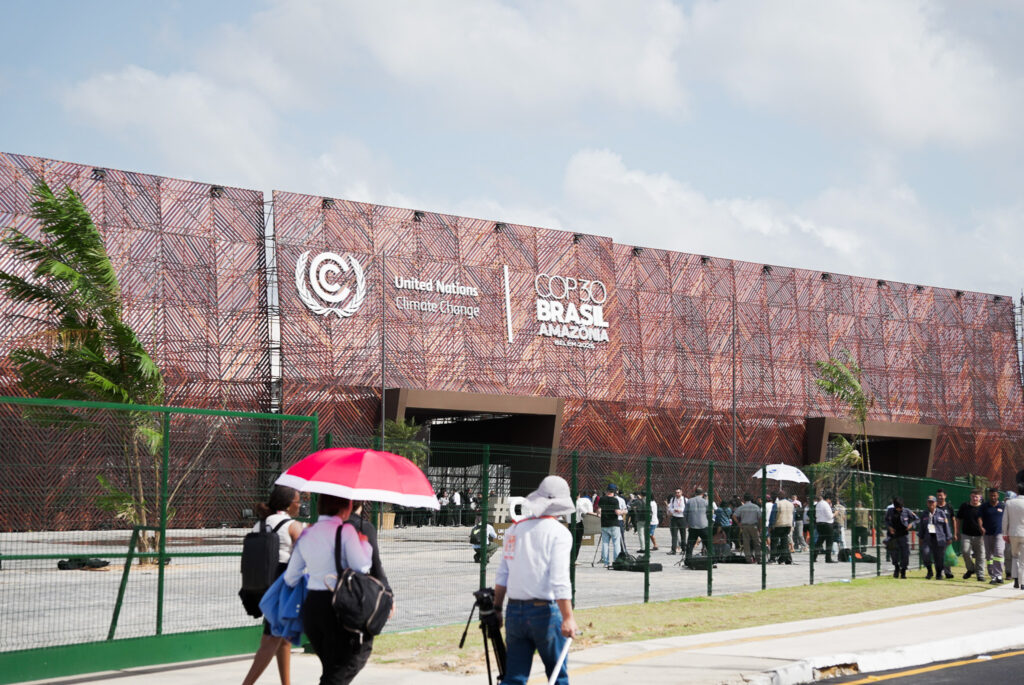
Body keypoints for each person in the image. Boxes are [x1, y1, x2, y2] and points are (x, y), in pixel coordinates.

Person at [494, 475, 578, 685]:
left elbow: (503, 573)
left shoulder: (514, 530)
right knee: (557, 676)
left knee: (513, 677)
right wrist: (568, 616)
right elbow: (559, 579)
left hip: (514, 611)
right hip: (545, 612)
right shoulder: (559, 533)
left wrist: (496, 608)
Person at [283, 494, 374, 685]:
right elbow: (362, 566)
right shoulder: (346, 531)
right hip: (337, 606)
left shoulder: (307, 533)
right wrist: (365, 545)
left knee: (331, 668)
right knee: (350, 660)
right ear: (347, 507)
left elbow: (291, 578)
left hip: (312, 607)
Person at [242, 485, 303, 685]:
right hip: (281, 586)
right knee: (271, 639)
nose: (299, 505)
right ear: (288, 504)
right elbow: (305, 554)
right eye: (297, 501)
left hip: (260, 585)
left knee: (283, 637)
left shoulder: (261, 523)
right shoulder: (292, 525)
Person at [919, 495, 952, 580]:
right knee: (925, 554)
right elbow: (921, 527)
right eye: (929, 502)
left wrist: (949, 537)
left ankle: (938, 574)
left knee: (939, 558)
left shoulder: (941, 513)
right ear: (927, 503)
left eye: (932, 502)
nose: (931, 504)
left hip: (939, 538)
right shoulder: (924, 514)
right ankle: (929, 571)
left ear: (936, 503)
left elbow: (946, 526)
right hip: (927, 538)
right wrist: (920, 538)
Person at [884, 496, 918, 579]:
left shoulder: (907, 511)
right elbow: (886, 520)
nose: (899, 509)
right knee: (893, 553)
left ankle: (903, 571)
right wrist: (889, 527)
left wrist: (911, 525)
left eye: (900, 507)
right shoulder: (890, 511)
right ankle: (896, 567)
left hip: (903, 535)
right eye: (897, 507)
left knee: (905, 554)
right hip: (893, 536)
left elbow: (917, 519)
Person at [957, 489, 986, 581]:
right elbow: (958, 519)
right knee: (965, 552)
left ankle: (980, 574)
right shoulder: (964, 506)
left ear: (980, 497)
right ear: (970, 496)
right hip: (966, 534)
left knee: (980, 555)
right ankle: (971, 569)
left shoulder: (983, 508)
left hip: (980, 536)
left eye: (976, 497)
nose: (974, 498)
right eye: (973, 496)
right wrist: (957, 531)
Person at [595, 484, 625, 567]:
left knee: (605, 543)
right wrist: (624, 511)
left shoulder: (602, 499)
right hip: (614, 524)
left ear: (607, 490)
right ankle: (616, 561)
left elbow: (599, 511)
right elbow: (617, 512)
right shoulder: (615, 500)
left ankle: (606, 562)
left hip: (604, 524)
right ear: (614, 491)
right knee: (616, 543)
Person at [980, 488, 1006, 584]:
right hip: (987, 534)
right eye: (991, 495)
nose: (993, 497)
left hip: (1000, 533)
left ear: (998, 495)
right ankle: (992, 576)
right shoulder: (984, 506)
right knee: (989, 555)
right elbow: (979, 518)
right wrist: (981, 527)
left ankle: (998, 575)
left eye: (995, 495)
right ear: (989, 496)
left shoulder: (1003, 506)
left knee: (999, 553)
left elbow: (1007, 518)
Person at [1002, 483, 1024, 589]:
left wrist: (1005, 533)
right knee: (1023, 560)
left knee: (1015, 557)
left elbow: (1005, 520)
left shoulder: (1010, 503)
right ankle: (1023, 582)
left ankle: (1015, 580)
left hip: (1013, 533)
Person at [683, 487, 711, 561]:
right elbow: (709, 513)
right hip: (703, 525)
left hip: (693, 525)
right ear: (702, 494)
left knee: (690, 544)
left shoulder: (689, 501)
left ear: (695, 493)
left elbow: (685, 513)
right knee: (708, 544)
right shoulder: (705, 502)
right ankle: (712, 559)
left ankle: (688, 559)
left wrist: (688, 522)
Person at [732, 494, 762, 563]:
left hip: (744, 526)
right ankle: (758, 559)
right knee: (757, 543)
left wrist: (738, 523)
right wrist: (760, 527)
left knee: (746, 543)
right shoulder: (756, 507)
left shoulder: (742, 507)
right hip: (754, 526)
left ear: (744, 499)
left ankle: (748, 559)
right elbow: (760, 518)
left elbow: (734, 516)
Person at [935, 489, 957, 578]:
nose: (939, 497)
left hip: (947, 534)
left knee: (947, 553)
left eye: (941, 495)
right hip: (937, 534)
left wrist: (955, 533)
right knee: (939, 553)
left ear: (945, 496)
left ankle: (948, 572)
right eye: (938, 496)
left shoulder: (949, 506)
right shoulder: (934, 506)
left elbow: (953, 520)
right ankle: (939, 572)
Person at [770, 492, 794, 564]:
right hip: (788, 525)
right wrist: (792, 525)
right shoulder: (791, 504)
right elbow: (793, 515)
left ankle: (773, 558)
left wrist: (771, 525)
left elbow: (773, 516)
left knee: (774, 542)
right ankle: (785, 558)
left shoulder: (777, 504)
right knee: (784, 542)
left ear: (778, 497)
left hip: (779, 525)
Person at [813, 494, 835, 563]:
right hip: (827, 524)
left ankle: (814, 556)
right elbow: (830, 516)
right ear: (828, 499)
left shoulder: (818, 504)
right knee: (829, 542)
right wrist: (835, 513)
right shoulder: (826, 504)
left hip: (819, 524)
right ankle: (828, 558)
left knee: (819, 541)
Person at [667, 488, 686, 555]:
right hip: (674, 518)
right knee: (674, 535)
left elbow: (686, 508)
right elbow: (670, 508)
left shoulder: (685, 500)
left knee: (683, 535)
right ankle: (673, 550)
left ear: (681, 492)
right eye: (676, 493)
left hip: (682, 518)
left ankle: (683, 550)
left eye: (678, 492)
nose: (677, 494)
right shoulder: (673, 499)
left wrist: (681, 510)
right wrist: (674, 510)